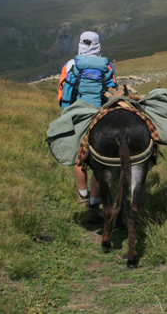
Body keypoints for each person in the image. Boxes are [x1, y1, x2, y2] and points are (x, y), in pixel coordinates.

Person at [57, 31, 117, 222]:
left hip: (77, 115)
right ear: (98, 45)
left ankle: (82, 198)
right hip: (100, 115)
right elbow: (112, 90)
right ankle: (94, 202)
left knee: (79, 158)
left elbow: (63, 95)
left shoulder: (70, 65)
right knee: (99, 160)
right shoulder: (106, 65)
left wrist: (67, 114)